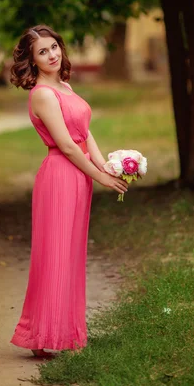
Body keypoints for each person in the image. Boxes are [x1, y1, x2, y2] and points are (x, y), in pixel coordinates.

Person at [9, 24, 128, 359]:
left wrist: (106, 166)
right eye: (42, 52)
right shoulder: (44, 94)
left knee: (71, 255)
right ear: (32, 61)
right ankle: (40, 335)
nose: (52, 55)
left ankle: (64, 333)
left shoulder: (65, 86)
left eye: (54, 47)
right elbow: (66, 145)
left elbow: (83, 134)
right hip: (61, 175)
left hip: (80, 176)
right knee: (55, 255)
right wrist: (100, 177)